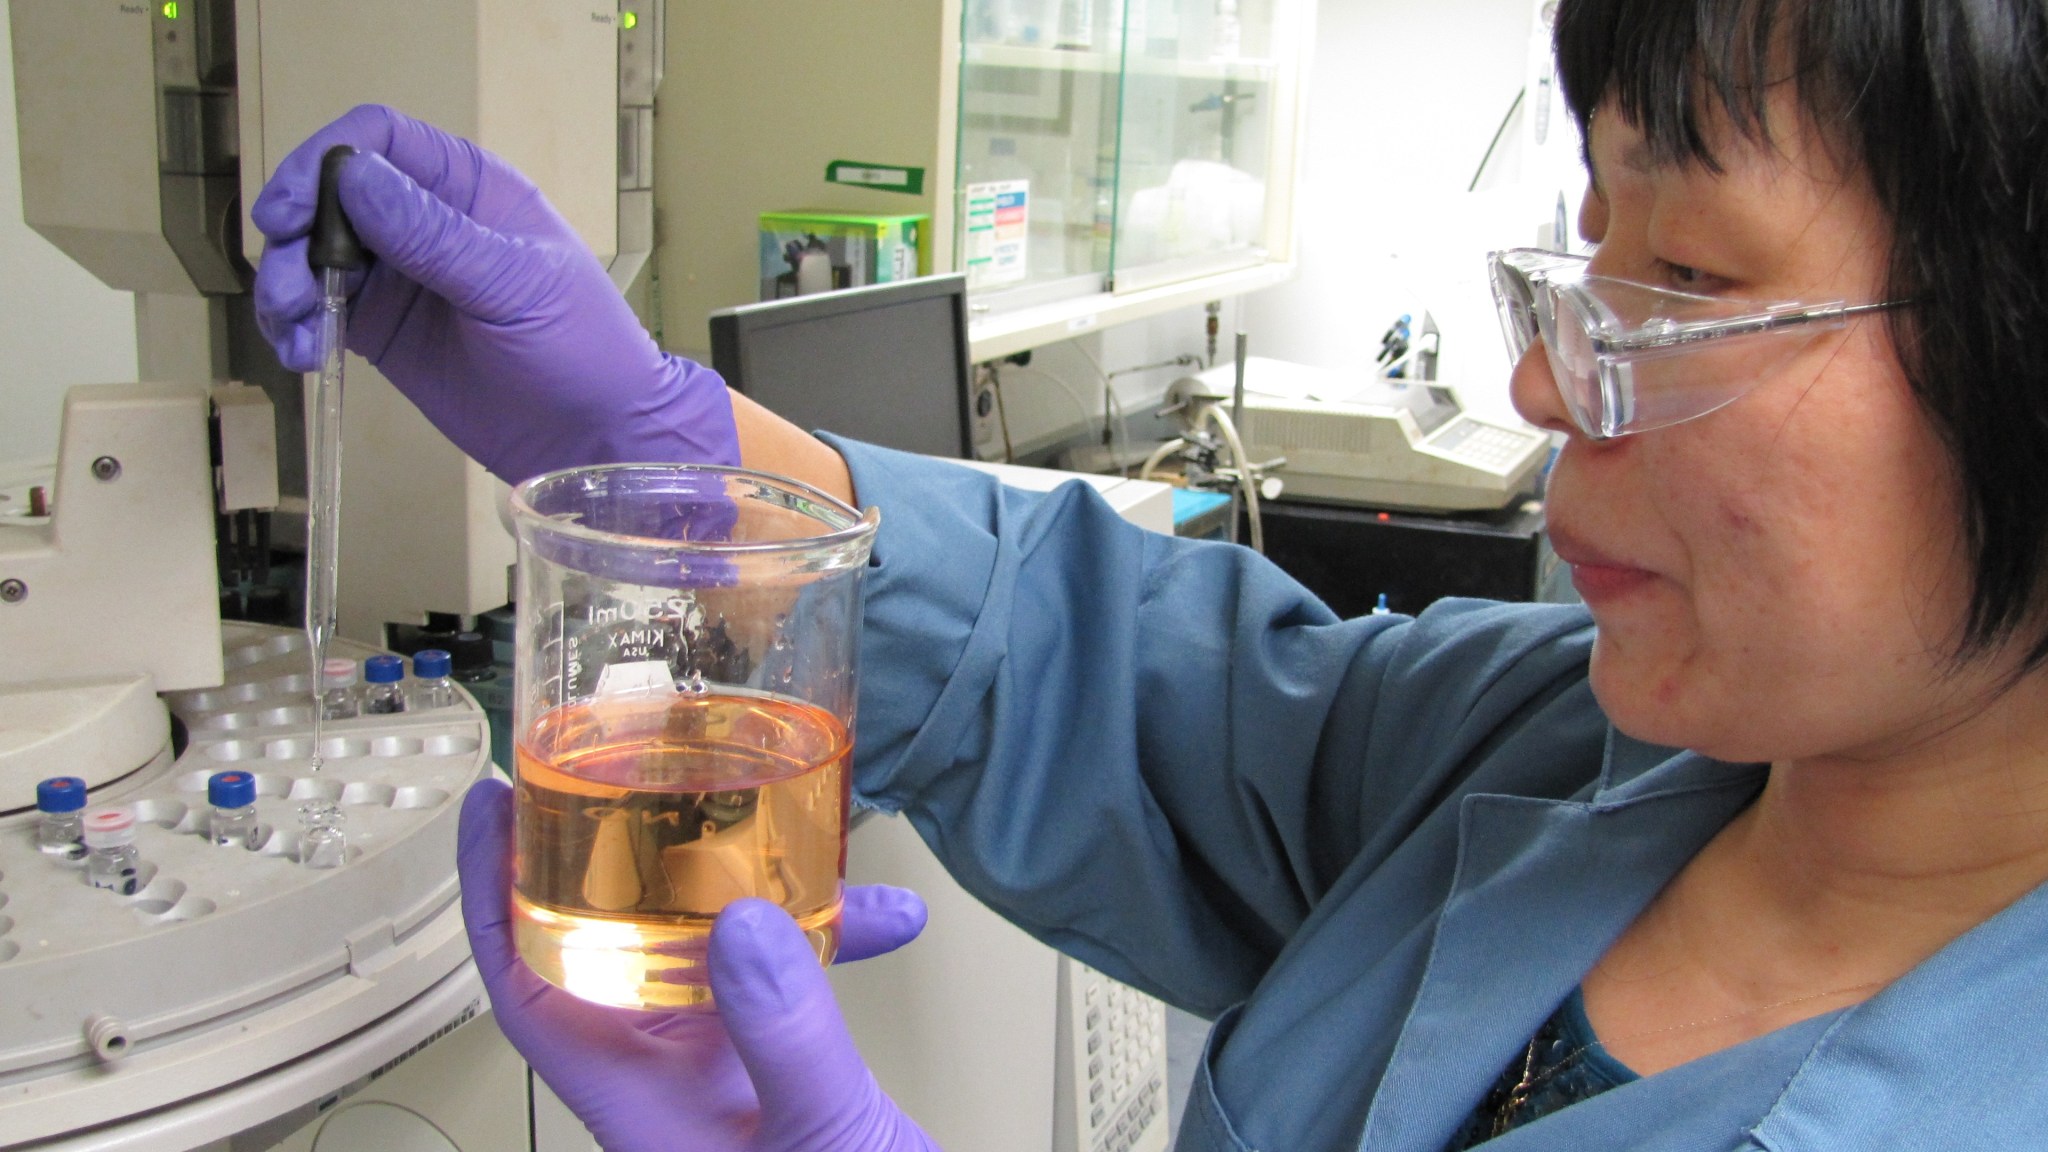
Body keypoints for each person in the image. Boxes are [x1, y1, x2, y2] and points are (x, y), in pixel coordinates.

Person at [250, 0, 2048, 1147]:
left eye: (1691, 288)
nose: (1539, 382)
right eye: (1591, 269)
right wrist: (686, 448)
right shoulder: (1572, 756)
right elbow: (1146, 683)